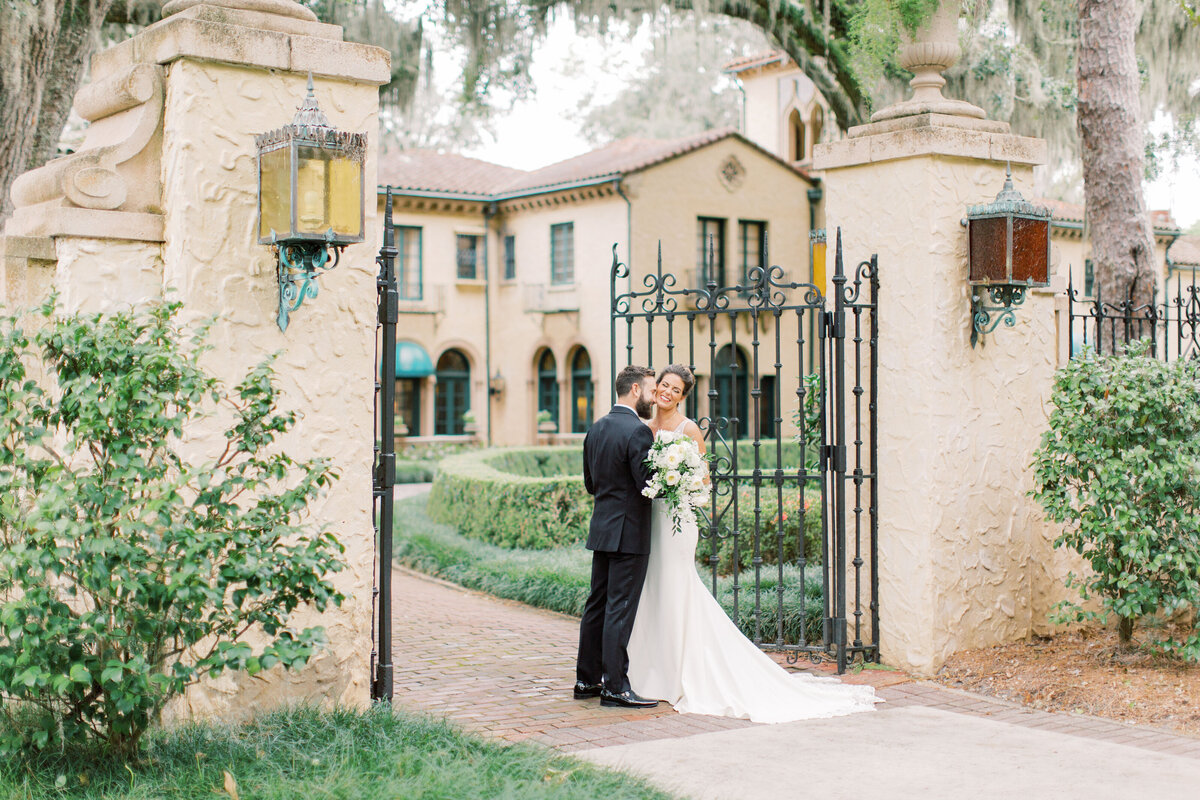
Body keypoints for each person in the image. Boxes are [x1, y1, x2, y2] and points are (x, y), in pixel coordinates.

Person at [626, 364, 881, 723]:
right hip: (650, 520)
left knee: (675, 587)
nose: (667, 393)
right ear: (654, 390)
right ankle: (648, 670)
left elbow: (704, 480)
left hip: (676, 522)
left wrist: (678, 484)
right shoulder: (644, 428)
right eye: (664, 386)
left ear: (683, 396)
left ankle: (678, 673)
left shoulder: (689, 429)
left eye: (676, 390)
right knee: (652, 589)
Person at [574, 364, 661, 709]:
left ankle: (586, 680)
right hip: (629, 534)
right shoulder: (638, 432)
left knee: (597, 605)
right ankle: (615, 686)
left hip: (602, 530)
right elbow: (647, 486)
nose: (654, 398)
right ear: (636, 390)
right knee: (619, 609)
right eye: (652, 391)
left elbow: (590, 484)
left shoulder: (596, 429)